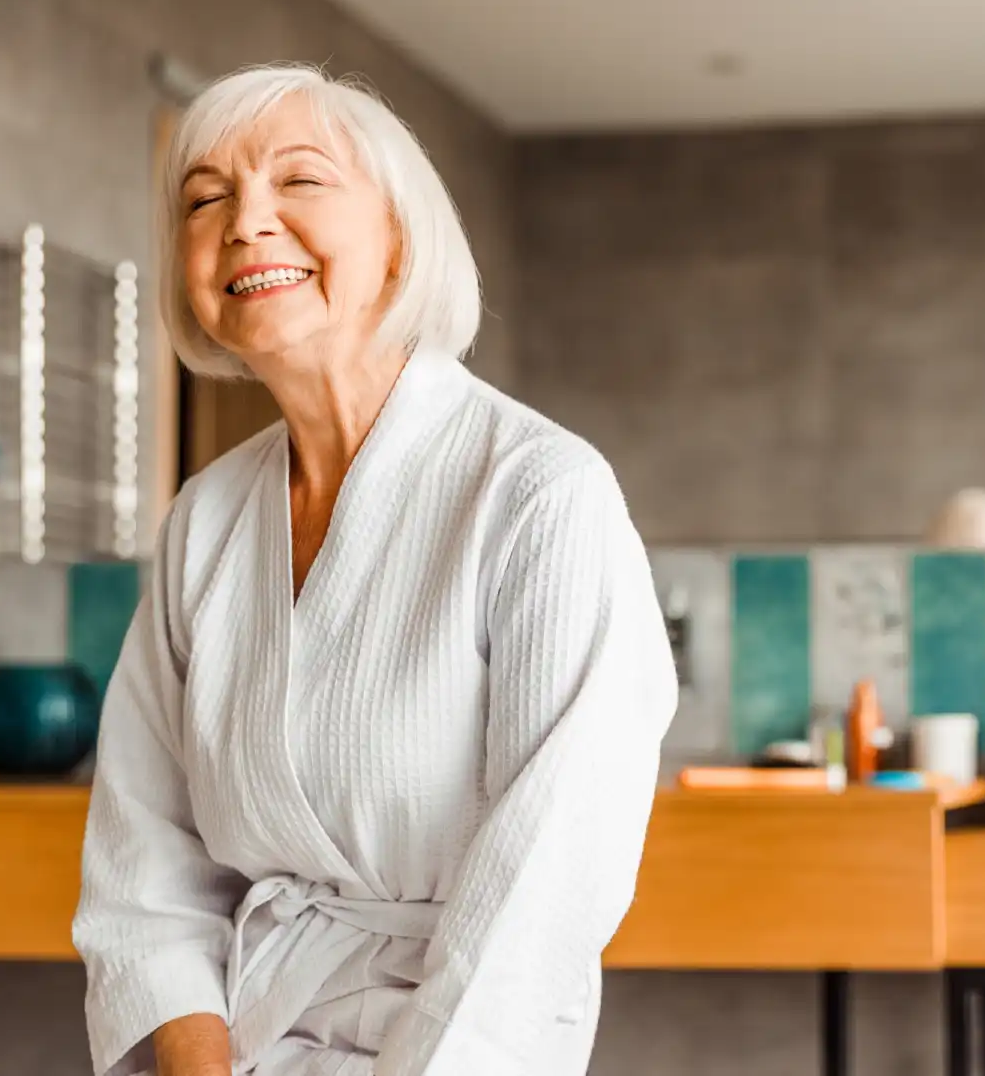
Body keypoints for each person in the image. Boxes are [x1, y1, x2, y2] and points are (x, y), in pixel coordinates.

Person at [71, 63, 677, 1076]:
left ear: (400, 235)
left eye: (299, 181)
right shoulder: (204, 521)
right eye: (206, 196)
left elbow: (548, 882)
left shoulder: (538, 492)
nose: (246, 220)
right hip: (245, 1038)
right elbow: (146, 863)